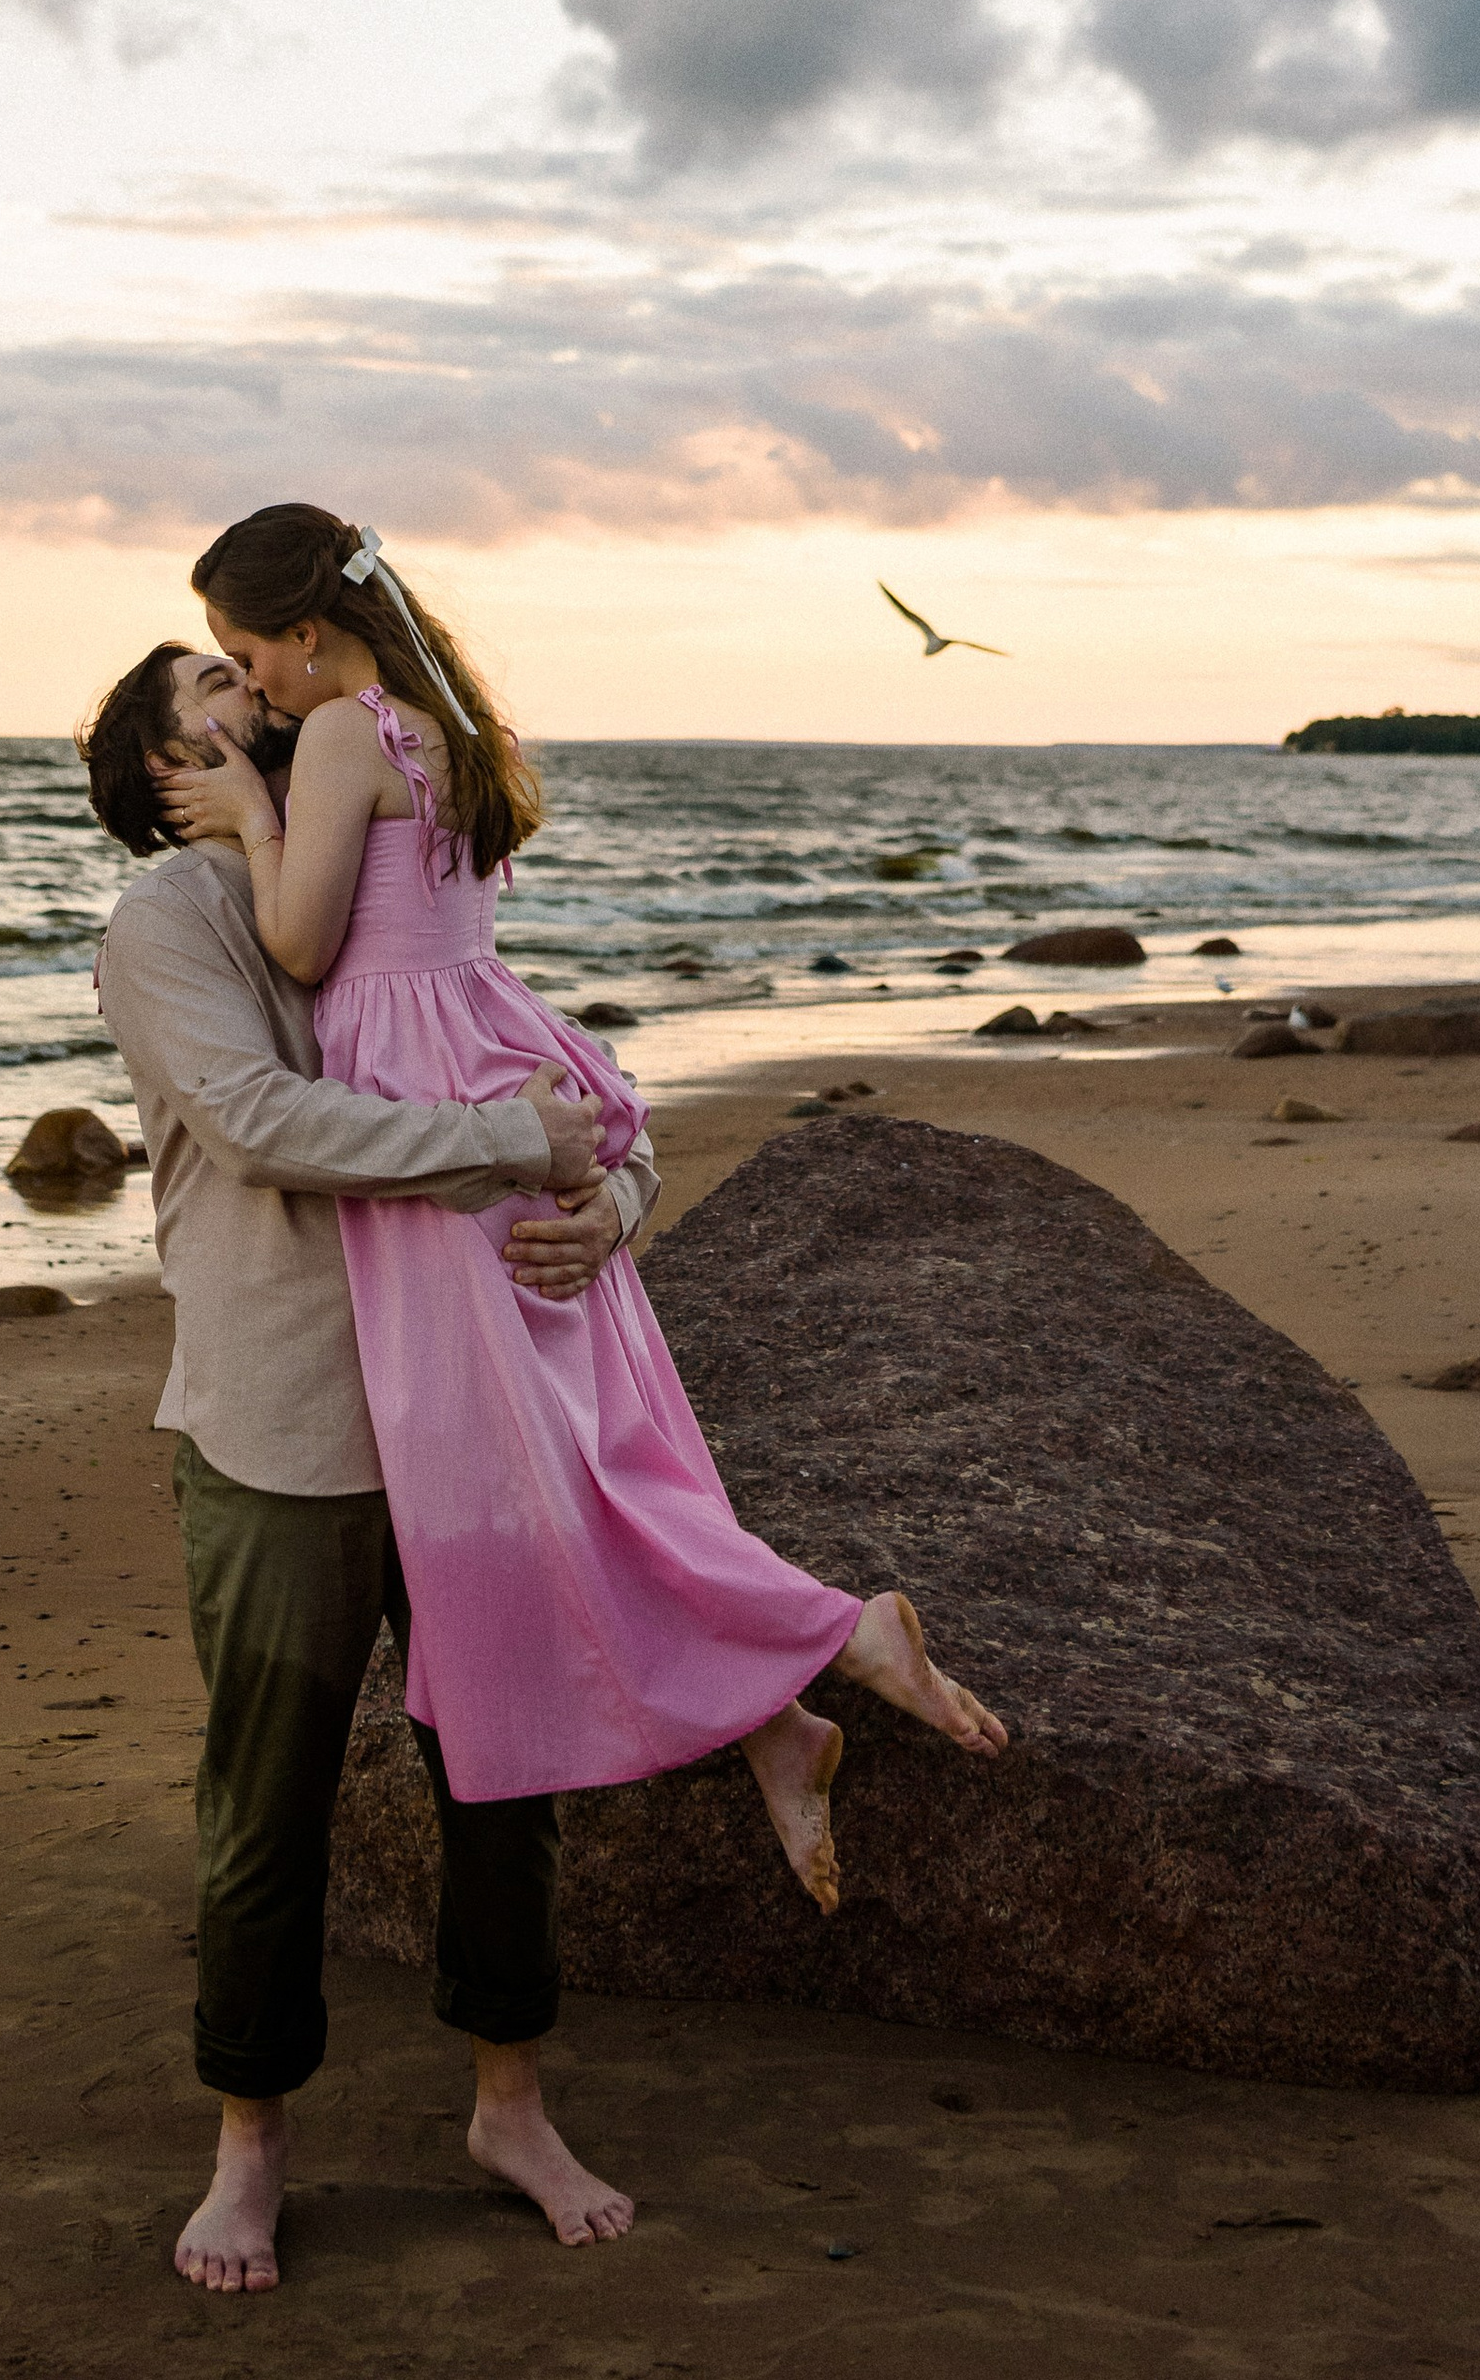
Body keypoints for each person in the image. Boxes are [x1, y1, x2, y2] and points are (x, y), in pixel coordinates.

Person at [162, 504, 1008, 1926]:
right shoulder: (444, 729)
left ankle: (834, 1636)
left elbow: (304, 945)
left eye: (249, 654)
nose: (248, 686)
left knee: (520, 1481)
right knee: (590, 1449)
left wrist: (251, 816)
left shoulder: (341, 735)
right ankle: (771, 1719)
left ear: (308, 633)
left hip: (427, 1110)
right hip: (488, 1058)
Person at [84, 635, 659, 2291]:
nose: (257, 705)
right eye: (214, 698)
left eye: (250, 681)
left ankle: (512, 2107)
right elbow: (268, 1123)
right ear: (161, 775)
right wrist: (500, 1145)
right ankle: (250, 2146)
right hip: (292, 1431)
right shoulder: (168, 926)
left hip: (465, 1413)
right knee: (268, 1804)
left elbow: (570, 1084)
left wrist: (616, 1203)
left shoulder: (369, 875)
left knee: (507, 1773)